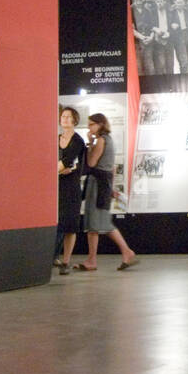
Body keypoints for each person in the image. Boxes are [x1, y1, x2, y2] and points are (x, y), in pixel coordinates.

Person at [81, 113, 138, 271]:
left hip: (97, 184)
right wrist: (111, 187)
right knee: (96, 224)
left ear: (100, 124)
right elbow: (112, 167)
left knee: (99, 222)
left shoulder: (101, 140)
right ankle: (92, 259)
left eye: (92, 124)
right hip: (103, 184)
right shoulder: (110, 140)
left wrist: (90, 144)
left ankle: (126, 251)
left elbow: (91, 162)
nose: (89, 127)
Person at [56, 107, 86, 274]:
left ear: (75, 120)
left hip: (71, 187)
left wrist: (53, 171)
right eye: (63, 116)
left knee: (70, 225)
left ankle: (66, 261)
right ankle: (54, 257)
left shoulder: (77, 141)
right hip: (56, 187)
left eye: (68, 117)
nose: (65, 119)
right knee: (57, 223)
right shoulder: (55, 138)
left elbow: (67, 162)